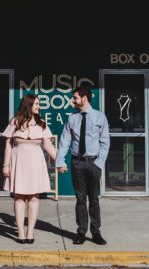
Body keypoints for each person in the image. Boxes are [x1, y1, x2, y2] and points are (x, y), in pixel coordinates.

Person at [55, 85, 110, 245]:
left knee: (93, 200)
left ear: (84, 98)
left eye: (75, 98)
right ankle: (81, 232)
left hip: (93, 162)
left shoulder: (100, 117)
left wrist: (98, 164)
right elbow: (65, 141)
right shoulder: (72, 119)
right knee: (80, 199)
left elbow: (105, 142)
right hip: (77, 163)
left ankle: (96, 233)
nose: (73, 100)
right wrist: (60, 161)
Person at [2, 94, 56, 244]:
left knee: (33, 197)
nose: (39, 106)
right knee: (19, 197)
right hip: (18, 161)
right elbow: (8, 145)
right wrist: (5, 165)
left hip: (36, 163)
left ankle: (30, 230)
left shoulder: (42, 123)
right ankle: (20, 231)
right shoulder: (15, 122)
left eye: (39, 104)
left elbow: (48, 146)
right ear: (28, 105)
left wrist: (60, 162)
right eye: (36, 104)